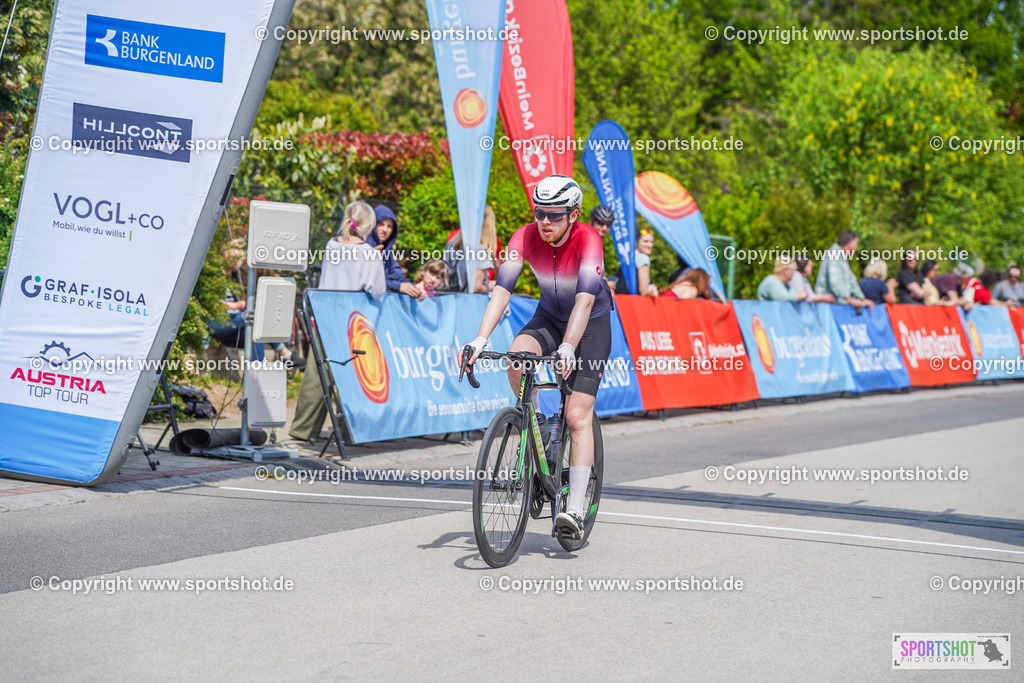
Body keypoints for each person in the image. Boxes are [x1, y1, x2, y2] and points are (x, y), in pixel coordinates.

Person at [459, 174, 612, 541]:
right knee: (516, 359)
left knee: (576, 416)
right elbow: (502, 291)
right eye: (539, 212)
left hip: (590, 323)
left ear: (573, 214)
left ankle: (575, 508)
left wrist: (569, 346)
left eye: (554, 215)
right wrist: (480, 339)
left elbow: (584, 302)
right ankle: (538, 424)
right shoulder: (524, 236)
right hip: (549, 317)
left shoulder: (589, 240)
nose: (545, 221)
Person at [290, 201, 385, 446]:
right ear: (369, 225)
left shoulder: (332, 245)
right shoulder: (368, 253)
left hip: (325, 314)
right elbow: (376, 290)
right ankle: (349, 431)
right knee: (350, 376)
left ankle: (303, 429)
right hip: (352, 320)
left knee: (316, 373)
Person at [367, 205, 423, 301]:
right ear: (373, 224)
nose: (385, 230)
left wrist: (415, 290)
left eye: (389, 226)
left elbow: (397, 276)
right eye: (381, 224)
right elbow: (367, 282)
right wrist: (397, 286)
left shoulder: (386, 252)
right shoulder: (363, 247)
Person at [444, 205, 503, 293]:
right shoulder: (485, 246)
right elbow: (477, 287)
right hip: (474, 295)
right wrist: (491, 287)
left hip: (450, 293)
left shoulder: (454, 239)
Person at [815, 229, 874, 310]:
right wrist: (849, 299)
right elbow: (835, 281)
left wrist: (862, 299)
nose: (856, 247)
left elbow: (851, 281)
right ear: (850, 243)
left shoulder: (842, 258)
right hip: (826, 308)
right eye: (856, 243)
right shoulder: (834, 254)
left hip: (834, 307)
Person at [635, 228, 659, 298]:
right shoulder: (643, 258)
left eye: (651, 242)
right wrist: (652, 289)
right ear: (636, 242)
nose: (650, 245)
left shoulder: (627, 258)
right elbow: (643, 291)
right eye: (645, 241)